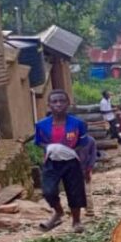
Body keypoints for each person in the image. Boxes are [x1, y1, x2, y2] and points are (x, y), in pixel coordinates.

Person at [35, 90, 90, 232]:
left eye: (62, 101)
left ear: (68, 104)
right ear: (49, 105)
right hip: (52, 162)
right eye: (54, 101)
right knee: (48, 191)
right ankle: (58, 212)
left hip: (72, 162)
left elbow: (83, 143)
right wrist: (52, 148)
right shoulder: (41, 125)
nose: (58, 104)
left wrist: (72, 153)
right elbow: (39, 142)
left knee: (75, 191)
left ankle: (76, 221)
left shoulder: (78, 124)